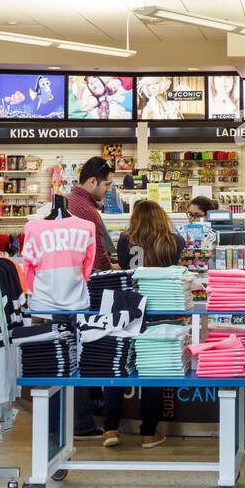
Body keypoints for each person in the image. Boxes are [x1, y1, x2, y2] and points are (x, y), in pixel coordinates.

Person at [104, 200, 183, 449]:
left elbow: (125, 269)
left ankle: (110, 430)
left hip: (129, 308)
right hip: (161, 311)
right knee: (153, 371)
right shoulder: (175, 241)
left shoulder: (125, 240)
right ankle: (149, 433)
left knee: (117, 369)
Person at [65, 156, 115, 438]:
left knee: (70, 354)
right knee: (86, 354)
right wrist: (116, 275)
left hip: (63, 294)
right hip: (85, 293)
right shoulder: (88, 210)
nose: (108, 190)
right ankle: (82, 422)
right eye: (106, 184)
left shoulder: (69, 202)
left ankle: (72, 421)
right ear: (93, 181)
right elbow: (98, 258)